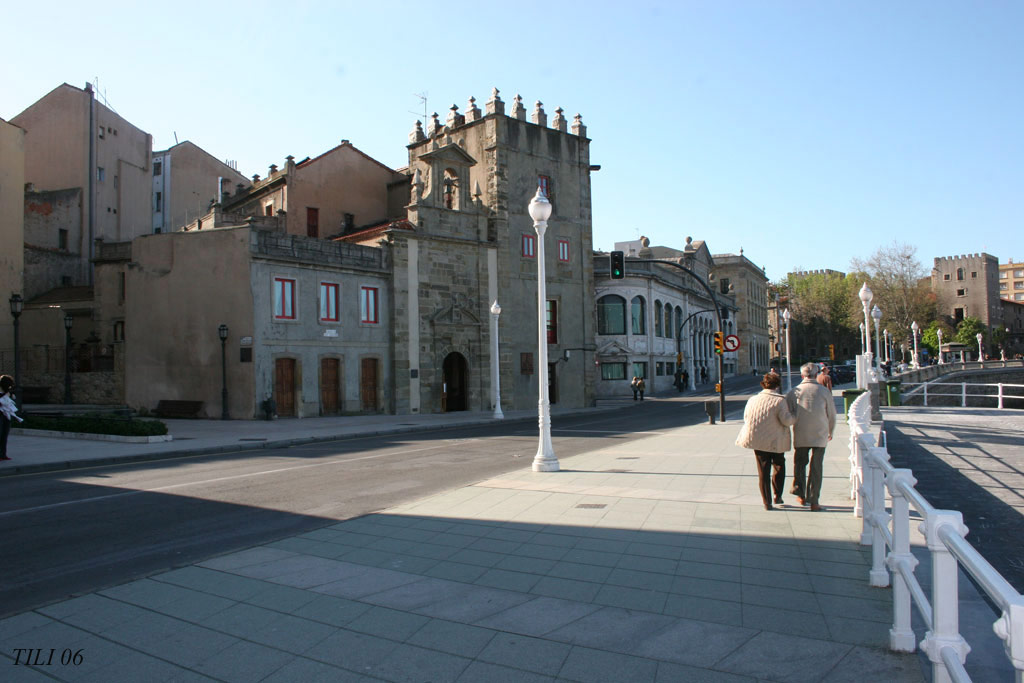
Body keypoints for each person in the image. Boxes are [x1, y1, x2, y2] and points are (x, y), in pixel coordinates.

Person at [736, 372, 795, 510]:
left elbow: (746, 417)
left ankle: (766, 502)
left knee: (763, 471)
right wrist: (794, 416)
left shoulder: (752, 399)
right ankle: (777, 495)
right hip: (776, 441)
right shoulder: (780, 401)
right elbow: (786, 421)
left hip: (759, 440)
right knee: (779, 466)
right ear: (777, 385)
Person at [786, 362, 837, 511]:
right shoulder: (823, 391)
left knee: (800, 464)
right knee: (816, 467)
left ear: (802, 375)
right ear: (816, 375)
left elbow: (788, 413)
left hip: (801, 432)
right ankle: (814, 500)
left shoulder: (794, 391)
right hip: (820, 433)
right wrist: (831, 431)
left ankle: (800, 494)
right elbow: (832, 414)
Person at [0, 375, 23, 461]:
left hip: (6, 415)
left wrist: (9, 394)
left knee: (4, 435)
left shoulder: (8, 392)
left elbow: (11, 400)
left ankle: (3, 454)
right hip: (1, 414)